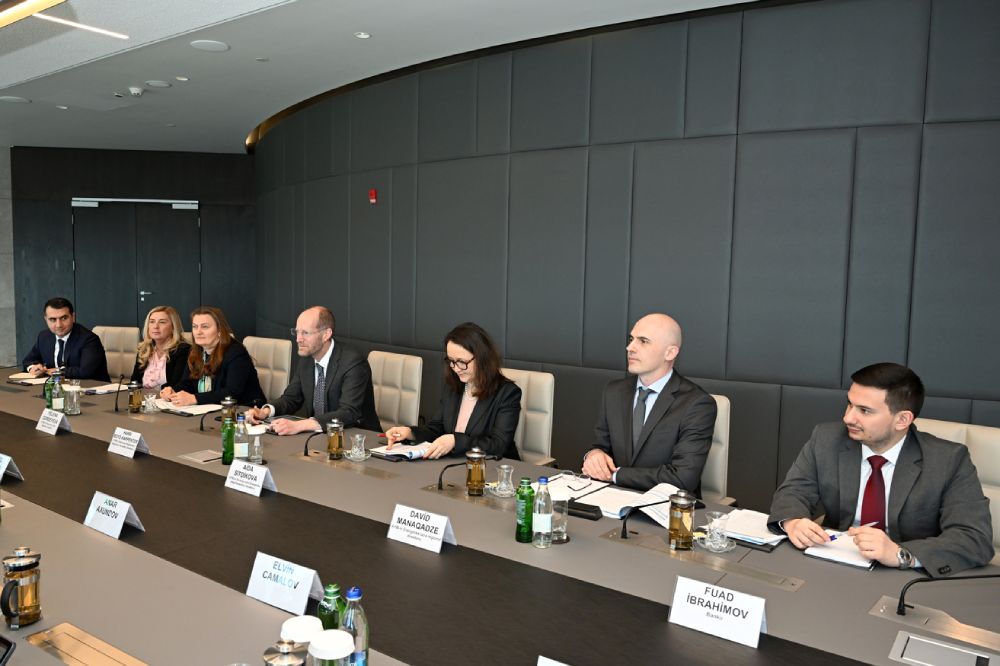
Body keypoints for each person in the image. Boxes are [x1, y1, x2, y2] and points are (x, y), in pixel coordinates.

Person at [768, 363, 994, 577]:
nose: (848, 417)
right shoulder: (827, 439)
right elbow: (794, 491)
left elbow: (974, 538)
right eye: (850, 404)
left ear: (902, 419)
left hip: (905, 577)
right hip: (836, 564)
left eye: (864, 411)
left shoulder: (948, 460)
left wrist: (900, 554)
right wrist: (793, 522)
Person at [582, 313, 716, 493]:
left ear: (670, 353)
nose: (630, 347)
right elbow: (600, 445)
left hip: (666, 505)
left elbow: (683, 478)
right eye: (631, 339)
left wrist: (615, 475)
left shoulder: (697, 404)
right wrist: (594, 455)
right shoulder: (614, 391)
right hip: (611, 497)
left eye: (643, 341)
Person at [385, 322, 521, 460]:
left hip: (493, 466)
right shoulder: (453, 386)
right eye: (451, 361)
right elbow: (436, 428)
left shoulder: (507, 393)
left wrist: (456, 441)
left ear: (482, 358)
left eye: (462, 362)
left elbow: (499, 445)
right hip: (456, 463)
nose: (456, 368)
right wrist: (410, 433)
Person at [246, 306, 380, 434]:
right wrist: (265, 412)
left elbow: (348, 412)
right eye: (297, 332)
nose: (298, 339)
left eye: (305, 333)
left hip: (357, 437)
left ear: (326, 334)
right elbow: (291, 398)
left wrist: (300, 425)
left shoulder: (353, 362)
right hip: (319, 436)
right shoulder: (307, 358)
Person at [161, 306, 265, 407]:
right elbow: (188, 383)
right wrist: (173, 391)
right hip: (208, 409)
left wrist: (195, 398)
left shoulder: (236, 353)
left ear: (220, 331)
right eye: (195, 327)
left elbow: (232, 392)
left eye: (205, 327)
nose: (198, 332)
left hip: (243, 409)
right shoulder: (196, 351)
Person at [22, 297, 110, 381]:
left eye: (64, 318)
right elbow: (28, 360)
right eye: (52, 319)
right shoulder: (44, 336)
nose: (59, 325)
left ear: (73, 317)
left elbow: (85, 371)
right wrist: (33, 368)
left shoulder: (89, 339)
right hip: (55, 387)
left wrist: (57, 371)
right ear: (46, 319)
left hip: (91, 388)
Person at [130, 306, 191, 392]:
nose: (155, 326)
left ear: (173, 327)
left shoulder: (183, 350)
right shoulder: (144, 349)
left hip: (167, 398)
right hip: (143, 398)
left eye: (162, 322)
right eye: (152, 322)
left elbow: (177, 385)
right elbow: (135, 381)